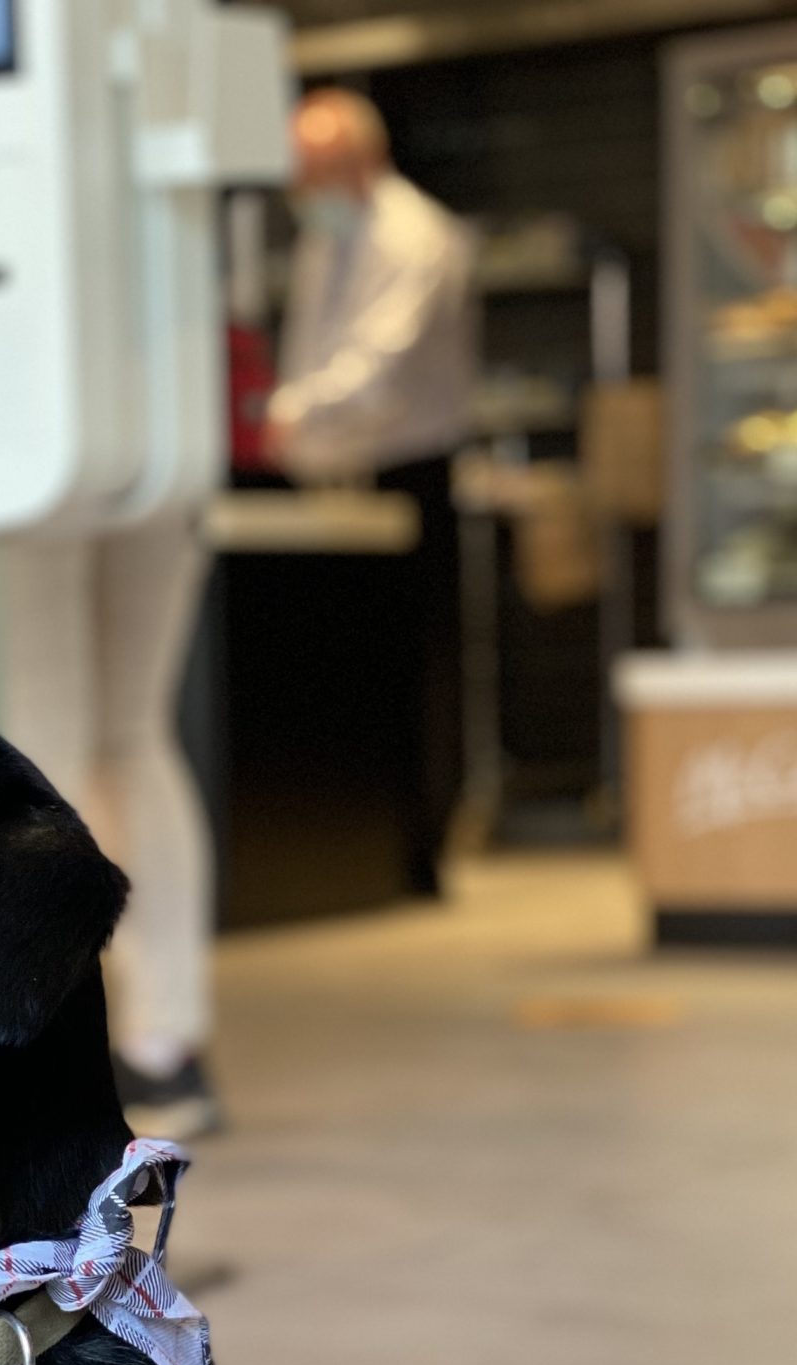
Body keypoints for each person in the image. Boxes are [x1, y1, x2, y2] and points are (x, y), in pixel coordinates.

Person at [267, 87, 476, 898]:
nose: (305, 189)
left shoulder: (419, 237)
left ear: (364, 159)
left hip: (410, 470)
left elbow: (375, 366)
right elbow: (308, 344)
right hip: (335, 472)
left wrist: (289, 412)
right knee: (348, 666)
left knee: (416, 668)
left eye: (317, 170)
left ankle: (421, 851)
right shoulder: (331, 237)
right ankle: (351, 848)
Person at [0, 519, 221, 1138]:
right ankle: (165, 1055)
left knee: (38, 748)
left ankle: (30, 1063)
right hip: (158, 450)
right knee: (132, 735)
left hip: (28, 458)